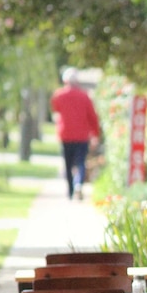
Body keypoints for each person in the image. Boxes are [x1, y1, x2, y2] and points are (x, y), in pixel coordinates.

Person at [50, 67, 100, 200]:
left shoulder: (59, 96)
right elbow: (92, 117)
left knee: (67, 163)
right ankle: (78, 184)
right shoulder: (84, 96)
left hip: (65, 135)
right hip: (82, 136)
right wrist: (95, 134)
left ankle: (71, 191)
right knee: (80, 162)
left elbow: (55, 110)